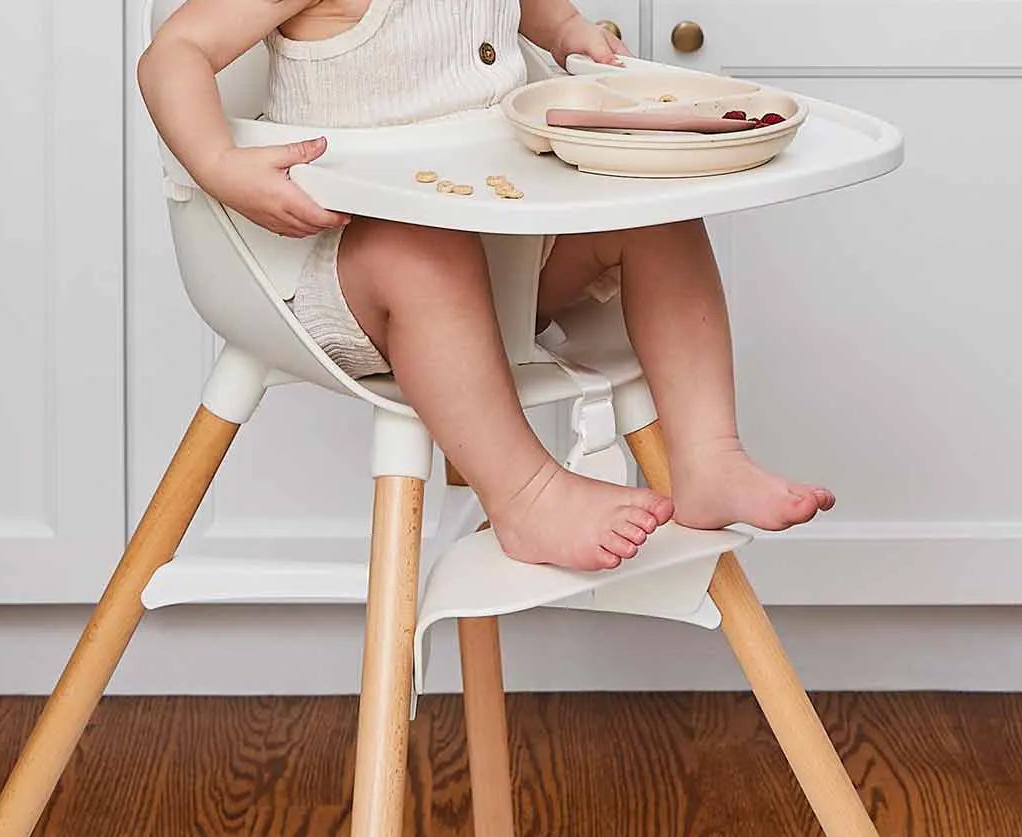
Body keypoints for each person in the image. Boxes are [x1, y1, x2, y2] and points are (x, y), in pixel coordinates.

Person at [139, 0, 835, 572]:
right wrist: (220, 164)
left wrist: (567, 33)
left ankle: (709, 456)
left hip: (505, 271)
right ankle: (526, 496)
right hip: (342, 281)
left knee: (660, 215)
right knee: (420, 252)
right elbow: (177, 51)